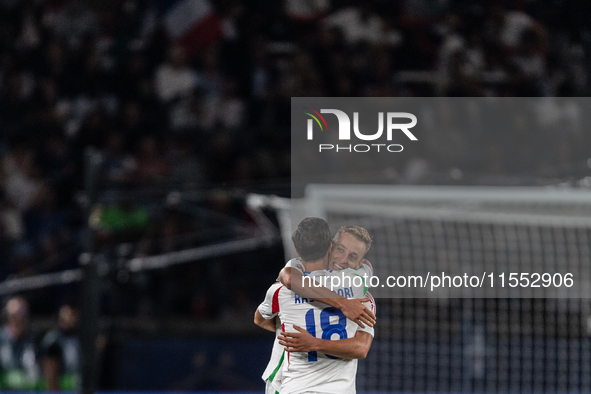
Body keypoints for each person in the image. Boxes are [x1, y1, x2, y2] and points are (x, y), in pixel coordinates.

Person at [255, 219, 375, 393]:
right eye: (340, 249)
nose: (342, 260)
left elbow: (361, 347)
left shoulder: (281, 289)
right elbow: (368, 267)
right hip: (283, 381)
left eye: (352, 256)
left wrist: (310, 340)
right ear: (330, 247)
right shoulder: (360, 291)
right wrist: (343, 304)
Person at [0, 296, 42, 391]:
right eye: (15, 317)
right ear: (7, 317)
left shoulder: (35, 339)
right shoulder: (1, 340)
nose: (19, 320)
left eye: (23, 317)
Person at [41, 304, 80, 391]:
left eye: (73, 314)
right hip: (61, 390)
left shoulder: (78, 338)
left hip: (77, 389)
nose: (70, 317)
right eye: (67, 314)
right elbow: (50, 373)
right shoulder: (52, 340)